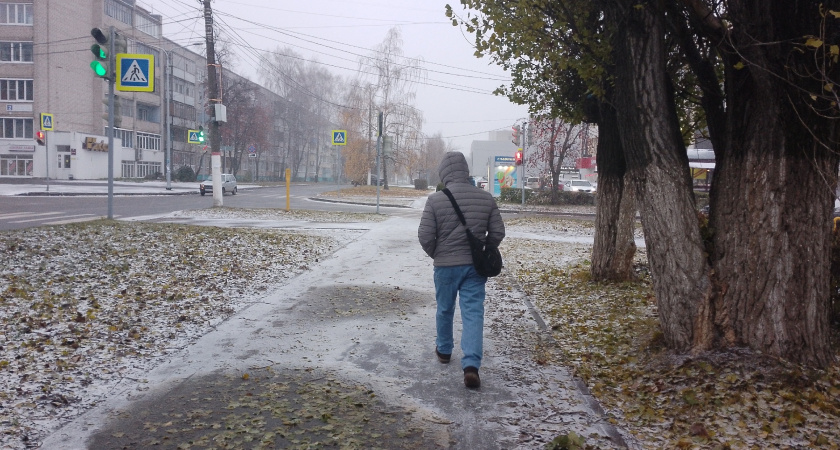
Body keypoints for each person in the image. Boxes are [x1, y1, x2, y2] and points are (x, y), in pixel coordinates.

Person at [418, 151, 505, 389]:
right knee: (473, 313)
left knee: (445, 309)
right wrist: (485, 249)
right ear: (465, 172)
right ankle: (471, 366)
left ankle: (444, 350)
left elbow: (425, 235)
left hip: (445, 267)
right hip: (474, 268)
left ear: (444, 173)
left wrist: (439, 254)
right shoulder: (485, 198)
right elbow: (498, 232)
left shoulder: (436, 200)